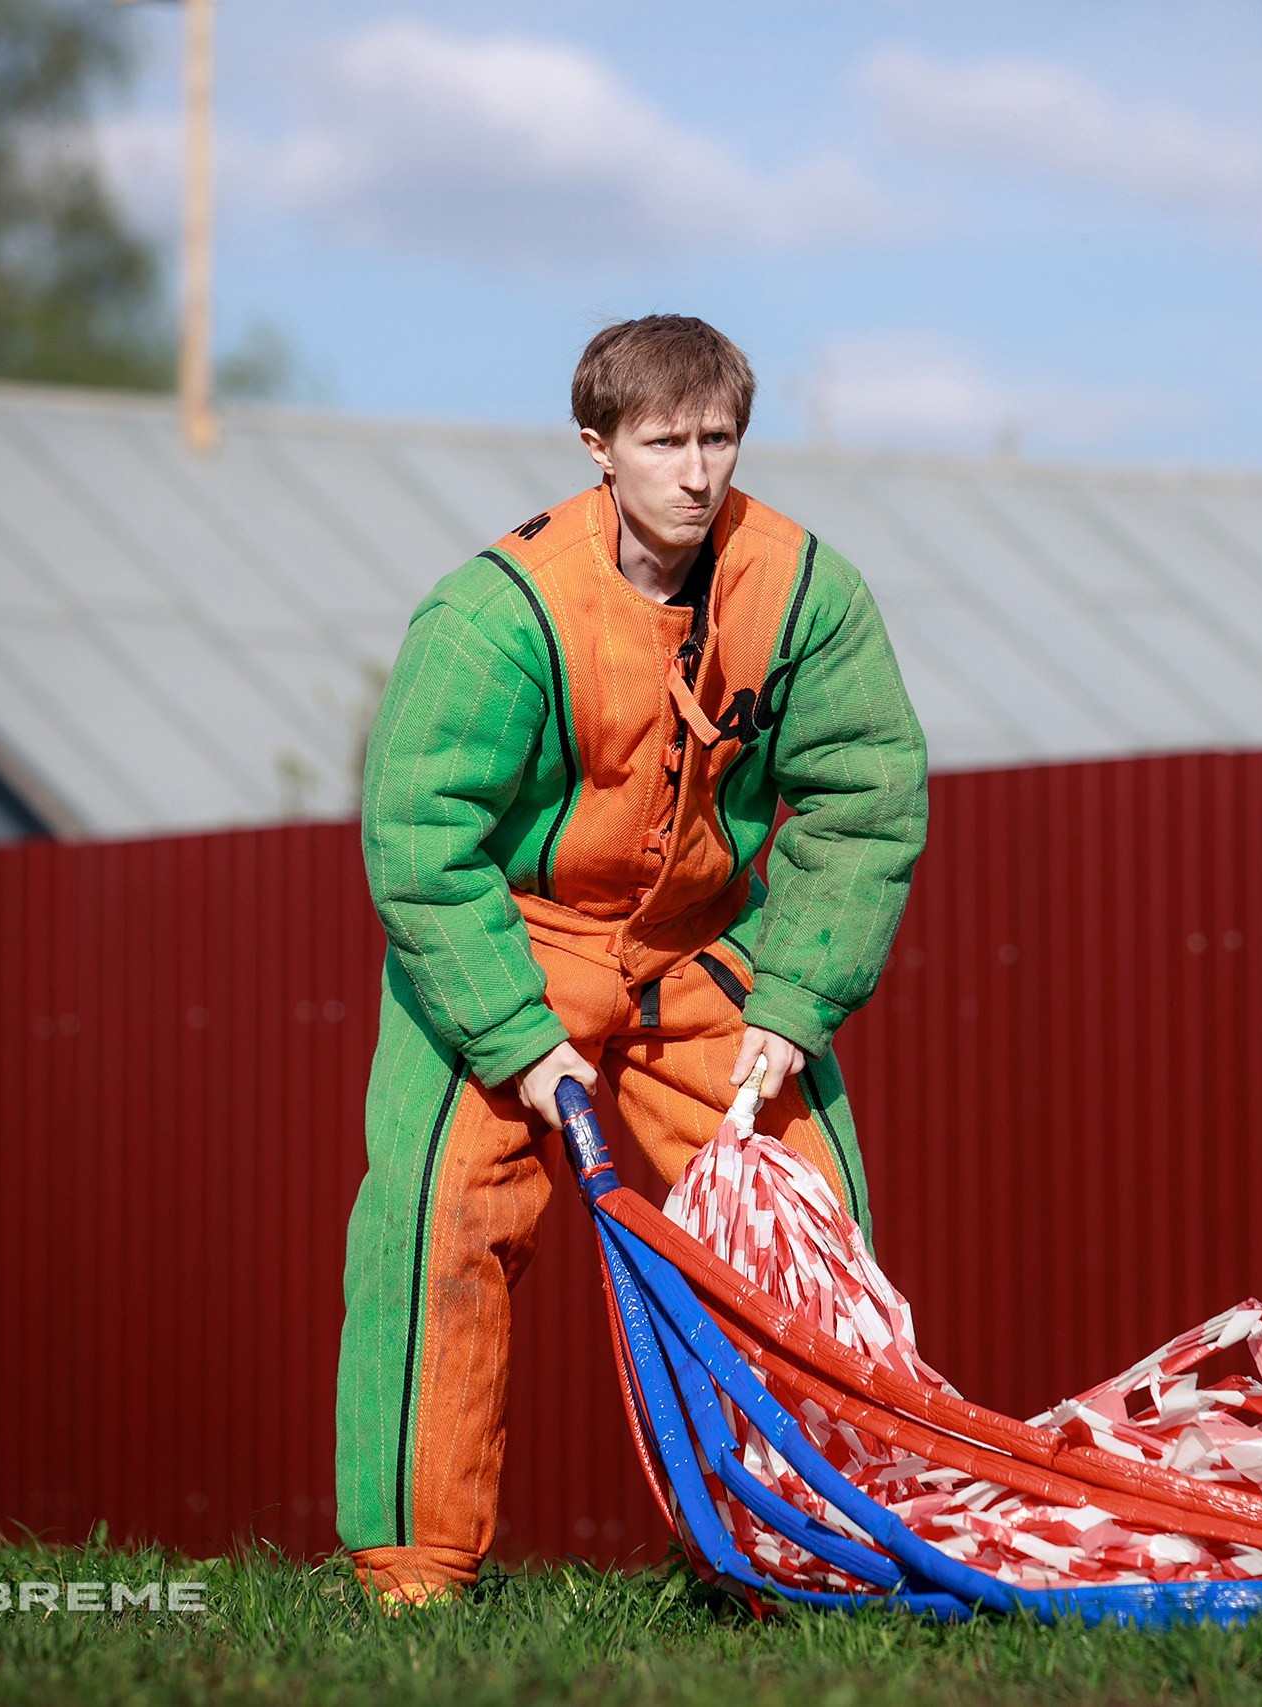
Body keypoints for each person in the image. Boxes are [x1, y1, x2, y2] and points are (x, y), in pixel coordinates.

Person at [334, 315, 929, 1606]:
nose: (697, 470)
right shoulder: (493, 615)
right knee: (443, 1230)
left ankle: (818, 1557)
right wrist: (509, 1033)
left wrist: (798, 993)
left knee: (808, 1226)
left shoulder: (804, 590)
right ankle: (416, 1572)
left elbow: (864, 800)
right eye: (665, 441)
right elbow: (422, 839)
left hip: (706, 950)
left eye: (719, 438)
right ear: (597, 447)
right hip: (513, 936)